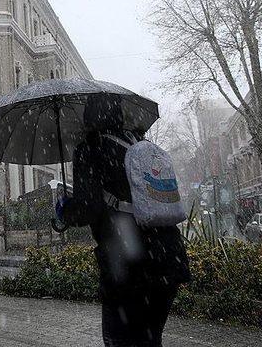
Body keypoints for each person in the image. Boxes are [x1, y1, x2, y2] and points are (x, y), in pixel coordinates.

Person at [62, 96, 190, 347]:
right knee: (150, 340)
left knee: (119, 341)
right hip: (169, 258)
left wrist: (66, 211)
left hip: (128, 265)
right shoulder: (140, 144)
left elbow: (87, 209)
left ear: (90, 118)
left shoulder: (91, 148)